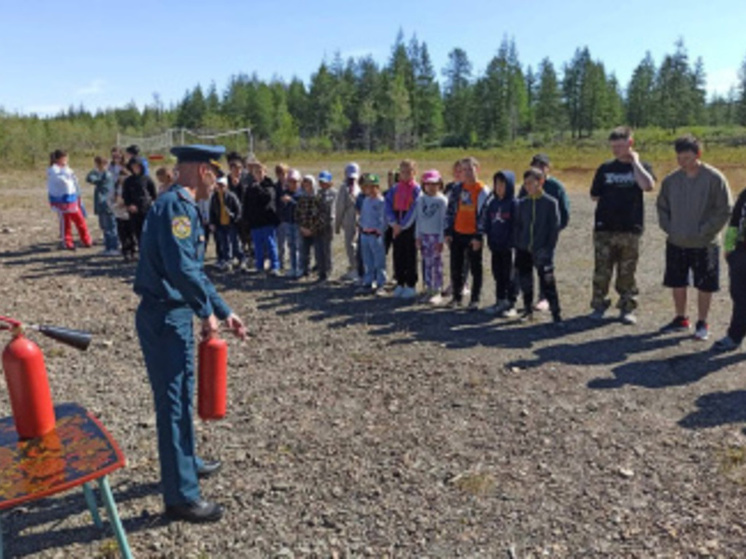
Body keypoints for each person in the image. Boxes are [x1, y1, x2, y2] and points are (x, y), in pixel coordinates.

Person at [133, 144, 246, 523]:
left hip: (172, 312)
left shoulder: (176, 205)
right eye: (215, 170)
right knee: (174, 404)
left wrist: (224, 311)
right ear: (202, 170)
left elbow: (194, 271)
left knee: (180, 395)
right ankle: (181, 496)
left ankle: (185, 464)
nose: (217, 178)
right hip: (166, 315)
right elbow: (182, 271)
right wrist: (205, 312)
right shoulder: (177, 208)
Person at [657, 134, 733, 340]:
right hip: (676, 241)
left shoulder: (714, 178)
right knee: (677, 281)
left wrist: (706, 230)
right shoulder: (671, 180)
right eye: (679, 158)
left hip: (705, 243)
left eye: (688, 158)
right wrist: (669, 227)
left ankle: (702, 322)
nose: (683, 162)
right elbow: (662, 207)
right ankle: (680, 318)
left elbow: (725, 209)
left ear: (698, 154)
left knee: (704, 284)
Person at [589, 127, 655, 325]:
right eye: (613, 146)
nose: (616, 150)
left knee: (627, 272)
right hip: (605, 228)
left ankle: (627, 308)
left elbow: (648, 186)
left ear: (630, 144)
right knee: (602, 270)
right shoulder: (605, 168)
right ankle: (599, 305)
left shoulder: (641, 167)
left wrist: (635, 163)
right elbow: (594, 195)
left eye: (620, 146)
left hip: (630, 228)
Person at [519, 153, 570, 312]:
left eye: (541, 165)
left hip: (546, 237)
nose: (538, 168)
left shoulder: (556, 187)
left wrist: (553, 232)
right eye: (535, 165)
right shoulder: (526, 186)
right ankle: (525, 299)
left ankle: (544, 298)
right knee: (525, 269)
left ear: (548, 168)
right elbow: (520, 208)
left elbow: (564, 212)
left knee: (545, 270)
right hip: (528, 238)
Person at [514, 167, 562, 324]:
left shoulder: (550, 203)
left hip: (542, 250)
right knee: (525, 282)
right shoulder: (522, 203)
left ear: (540, 182)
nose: (527, 187)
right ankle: (527, 310)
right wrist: (519, 244)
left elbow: (554, 229)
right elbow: (518, 226)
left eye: (530, 183)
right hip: (524, 250)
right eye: (525, 184)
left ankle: (556, 314)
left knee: (548, 282)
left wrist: (548, 249)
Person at [444, 157, 490, 310]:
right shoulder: (457, 189)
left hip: (473, 235)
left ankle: (475, 299)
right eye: (464, 170)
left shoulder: (482, 189)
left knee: (475, 268)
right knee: (456, 267)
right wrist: (448, 231)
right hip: (457, 232)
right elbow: (450, 211)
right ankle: (457, 297)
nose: (467, 173)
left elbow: (484, 215)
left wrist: (479, 236)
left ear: (477, 169)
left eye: (470, 169)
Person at [480, 170, 518, 317]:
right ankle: (500, 300)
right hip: (495, 246)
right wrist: (489, 238)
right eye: (497, 184)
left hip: (509, 247)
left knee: (509, 275)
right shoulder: (493, 203)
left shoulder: (514, 204)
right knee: (498, 274)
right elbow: (488, 223)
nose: (499, 187)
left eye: (503, 184)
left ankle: (511, 303)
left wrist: (512, 242)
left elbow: (516, 225)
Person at [713, 186, 746, 351]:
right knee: (739, 297)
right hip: (741, 252)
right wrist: (728, 247)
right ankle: (734, 336)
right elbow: (734, 221)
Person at [385, 159, 421, 299]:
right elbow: (387, 206)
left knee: (410, 255)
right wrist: (393, 223)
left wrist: (403, 225)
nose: (405, 175)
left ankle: (411, 284)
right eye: (403, 172)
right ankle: (400, 282)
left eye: (409, 172)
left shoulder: (416, 189)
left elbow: (414, 209)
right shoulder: (395, 189)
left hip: (410, 226)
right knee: (397, 254)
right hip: (396, 224)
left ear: (414, 173)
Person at [414, 169, 448, 305]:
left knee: (436, 264)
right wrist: (417, 236)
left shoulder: (442, 200)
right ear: (424, 185)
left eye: (435, 184)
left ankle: (437, 289)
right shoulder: (421, 199)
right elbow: (419, 219)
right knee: (426, 263)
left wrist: (441, 239)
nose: (432, 187)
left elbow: (443, 221)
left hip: (436, 236)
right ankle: (428, 288)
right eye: (428, 184)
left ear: (440, 184)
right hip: (424, 236)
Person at [47, 149, 92, 250]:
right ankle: (67, 242)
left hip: (73, 198)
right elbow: (64, 182)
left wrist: (78, 195)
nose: (66, 160)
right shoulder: (54, 170)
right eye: (64, 158)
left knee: (80, 219)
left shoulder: (67, 169)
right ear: (58, 159)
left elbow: (74, 182)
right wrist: (65, 172)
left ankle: (86, 240)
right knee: (65, 222)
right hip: (61, 200)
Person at [242, 161, 281, 275]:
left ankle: (275, 266)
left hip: (267, 220)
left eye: (260, 172)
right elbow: (246, 203)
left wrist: (258, 187)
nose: (258, 174)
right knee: (257, 245)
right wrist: (246, 218)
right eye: (256, 172)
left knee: (270, 244)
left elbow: (268, 198)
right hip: (255, 221)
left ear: (265, 172)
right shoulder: (250, 187)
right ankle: (259, 266)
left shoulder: (269, 185)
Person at [357, 173, 387, 295]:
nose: (369, 189)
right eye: (367, 187)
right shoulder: (366, 201)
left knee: (379, 261)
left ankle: (381, 283)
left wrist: (379, 230)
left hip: (376, 235)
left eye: (372, 186)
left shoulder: (381, 201)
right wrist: (361, 226)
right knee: (367, 260)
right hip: (365, 234)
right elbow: (363, 215)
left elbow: (384, 219)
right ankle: (368, 281)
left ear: (377, 187)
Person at [85, 155, 119, 255]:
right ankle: (108, 247)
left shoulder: (106, 175)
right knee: (105, 227)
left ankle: (113, 247)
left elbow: (92, 179)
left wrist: (95, 171)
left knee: (110, 226)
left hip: (107, 204)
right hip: (102, 204)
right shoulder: (103, 174)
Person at [209, 175, 244, 272]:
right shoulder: (214, 197)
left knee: (235, 243)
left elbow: (239, 210)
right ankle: (227, 261)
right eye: (218, 185)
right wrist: (212, 223)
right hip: (220, 224)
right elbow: (212, 211)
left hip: (231, 223)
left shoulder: (231, 196)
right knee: (224, 244)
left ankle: (241, 259)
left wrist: (235, 218)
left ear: (226, 186)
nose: (220, 188)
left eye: (222, 185)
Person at [122, 156, 157, 248]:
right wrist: (129, 205)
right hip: (134, 210)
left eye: (137, 166)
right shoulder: (128, 181)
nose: (135, 168)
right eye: (133, 166)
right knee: (137, 231)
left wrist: (152, 203)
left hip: (146, 208)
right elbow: (125, 195)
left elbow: (153, 193)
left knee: (149, 231)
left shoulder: (147, 179)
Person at [336, 162, 362, 281]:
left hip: (349, 218)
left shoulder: (344, 187)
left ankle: (354, 268)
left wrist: (337, 224)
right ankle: (357, 267)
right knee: (356, 244)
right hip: (360, 218)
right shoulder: (360, 186)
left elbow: (340, 207)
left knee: (350, 244)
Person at [277, 169, 303, 277]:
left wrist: (290, 201)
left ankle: (300, 268)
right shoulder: (285, 192)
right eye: (290, 181)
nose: (292, 184)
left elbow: (301, 207)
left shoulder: (301, 193)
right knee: (291, 245)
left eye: (295, 181)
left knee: (298, 246)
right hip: (288, 222)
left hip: (298, 223)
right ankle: (293, 267)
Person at [296, 175, 321, 278]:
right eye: (305, 184)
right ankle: (304, 269)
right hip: (303, 228)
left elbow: (320, 214)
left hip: (315, 229)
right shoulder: (301, 198)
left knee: (318, 251)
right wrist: (301, 227)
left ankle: (319, 269)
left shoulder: (318, 198)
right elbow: (297, 213)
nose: (307, 186)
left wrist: (313, 228)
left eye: (309, 184)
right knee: (303, 251)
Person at [315, 170, 337, 282]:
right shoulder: (317, 193)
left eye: (325, 182)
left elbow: (333, 211)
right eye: (321, 182)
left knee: (326, 249)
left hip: (328, 225)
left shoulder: (333, 193)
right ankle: (321, 271)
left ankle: (328, 271)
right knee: (318, 249)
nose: (323, 184)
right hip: (317, 225)